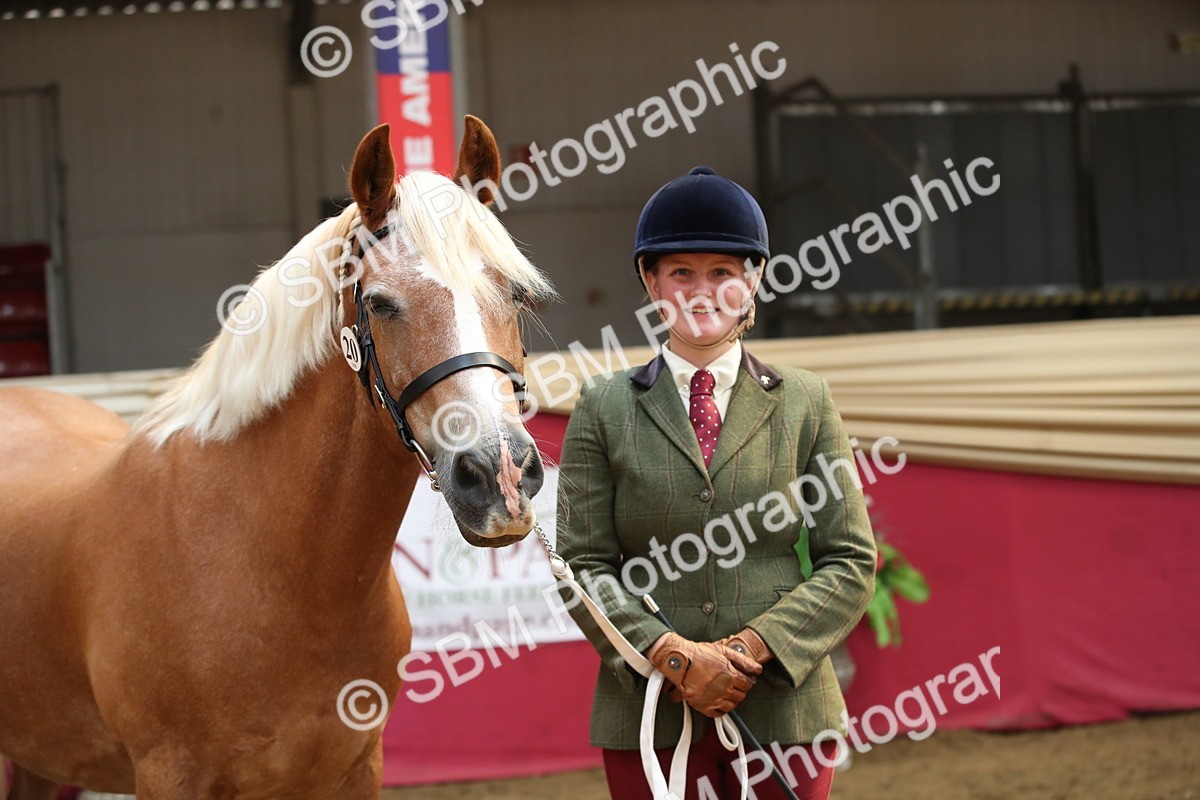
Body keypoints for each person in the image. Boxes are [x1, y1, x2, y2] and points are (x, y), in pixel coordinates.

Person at [555, 166, 877, 800]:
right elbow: (581, 565)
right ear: (651, 282)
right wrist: (675, 658)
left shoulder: (807, 401)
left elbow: (850, 559)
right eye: (681, 273)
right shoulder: (601, 405)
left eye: (723, 273)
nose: (701, 292)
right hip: (651, 708)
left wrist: (750, 650)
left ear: (753, 278)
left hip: (785, 707)